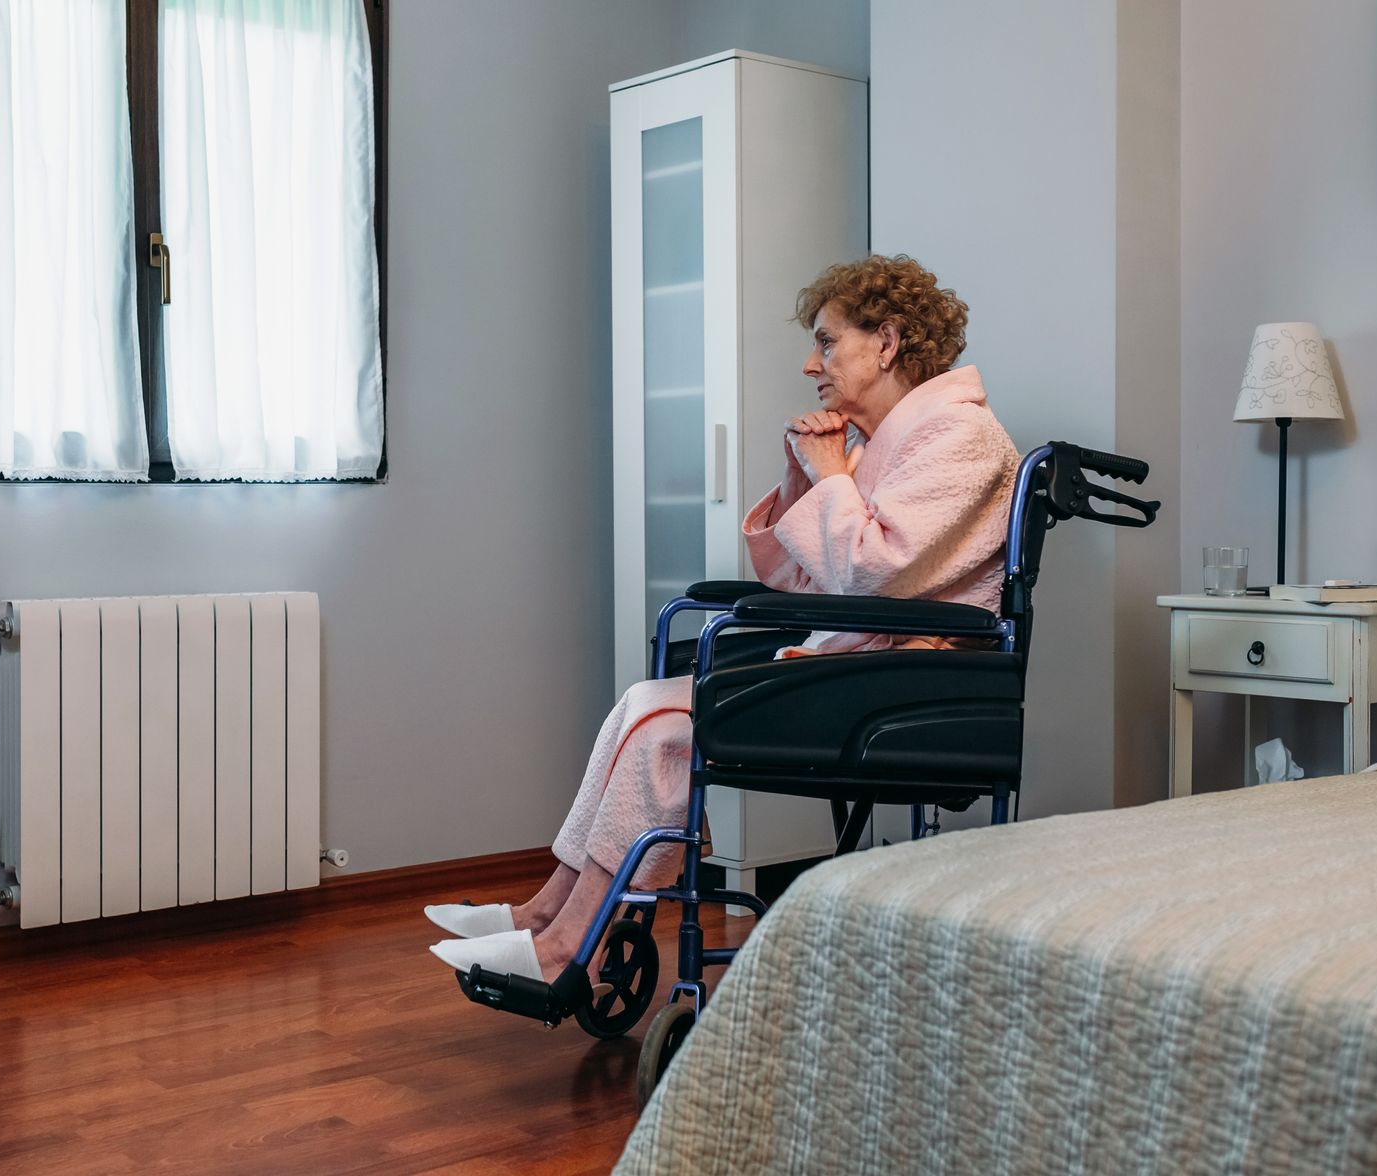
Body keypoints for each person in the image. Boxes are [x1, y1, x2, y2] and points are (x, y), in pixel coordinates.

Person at [425, 254, 1020, 985]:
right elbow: (802, 579)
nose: (811, 364)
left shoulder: (961, 437)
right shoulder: (881, 445)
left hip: (908, 684)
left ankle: (563, 946)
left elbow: (870, 569)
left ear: (888, 342)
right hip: (863, 668)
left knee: (662, 730)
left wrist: (832, 475)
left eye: (827, 342)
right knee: (641, 708)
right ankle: (545, 914)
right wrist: (810, 477)